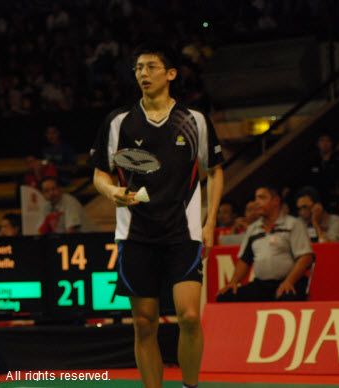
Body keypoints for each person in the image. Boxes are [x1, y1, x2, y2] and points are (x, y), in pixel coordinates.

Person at [91, 43, 224, 388]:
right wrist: (112, 192)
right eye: (138, 68)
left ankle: (190, 386)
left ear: (170, 74)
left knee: (190, 316)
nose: (143, 74)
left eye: (151, 67)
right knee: (145, 323)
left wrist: (210, 223)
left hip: (184, 232)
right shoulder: (118, 122)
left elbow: (216, 170)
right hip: (136, 235)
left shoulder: (194, 121)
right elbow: (99, 175)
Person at [217, 186, 314, 303]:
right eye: (256, 198)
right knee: (225, 297)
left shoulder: (293, 224)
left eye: (262, 198)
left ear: (275, 201)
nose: (256, 202)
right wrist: (233, 282)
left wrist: (289, 281)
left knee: (287, 297)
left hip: (290, 282)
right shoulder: (253, 229)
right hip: (261, 285)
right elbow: (244, 259)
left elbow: (305, 257)